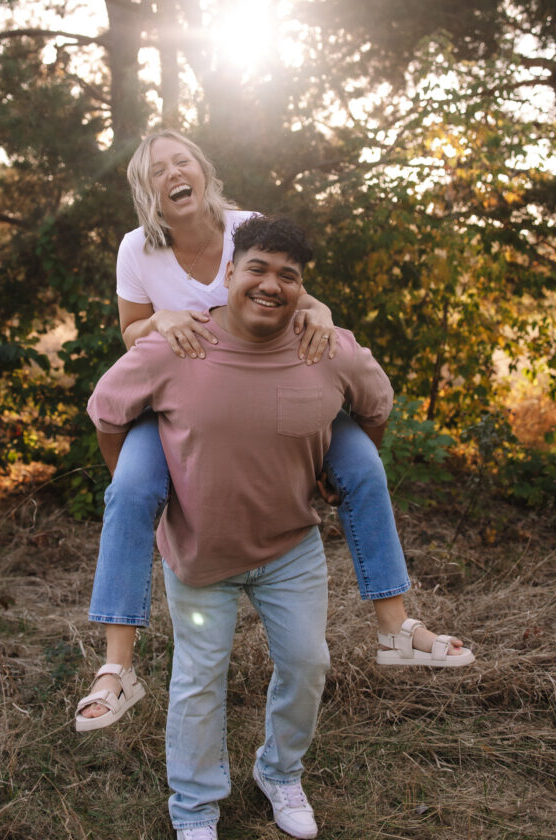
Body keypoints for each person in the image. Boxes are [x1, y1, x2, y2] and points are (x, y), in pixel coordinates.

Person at [75, 131, 473, 732]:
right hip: (182, 404)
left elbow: (296, 293)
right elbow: (131, 333)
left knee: (363, 465)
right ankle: (117, 667)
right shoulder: (138, 249)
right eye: (157, 170)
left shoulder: (248, 225)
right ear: (146, 190)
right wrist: (162, 318)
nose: (172, 173)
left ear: (203, 170)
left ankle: (395, 627)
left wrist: (323, 315)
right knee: (129, 491)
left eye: (182, 161)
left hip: (281, 388)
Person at [87, 216, 402, 839]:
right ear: (228, 274)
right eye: (257, 268)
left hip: (291, 549)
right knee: (198, 682)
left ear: (303, 292)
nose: (271, 285)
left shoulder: (325, 346)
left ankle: (280, 772)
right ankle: (195, 809)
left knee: (307, 664)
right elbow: (106, 411)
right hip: (203, 557)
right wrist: (142, 488)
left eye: (289, 276)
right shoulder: (178, 346)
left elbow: (376, 406)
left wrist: (336, 467)